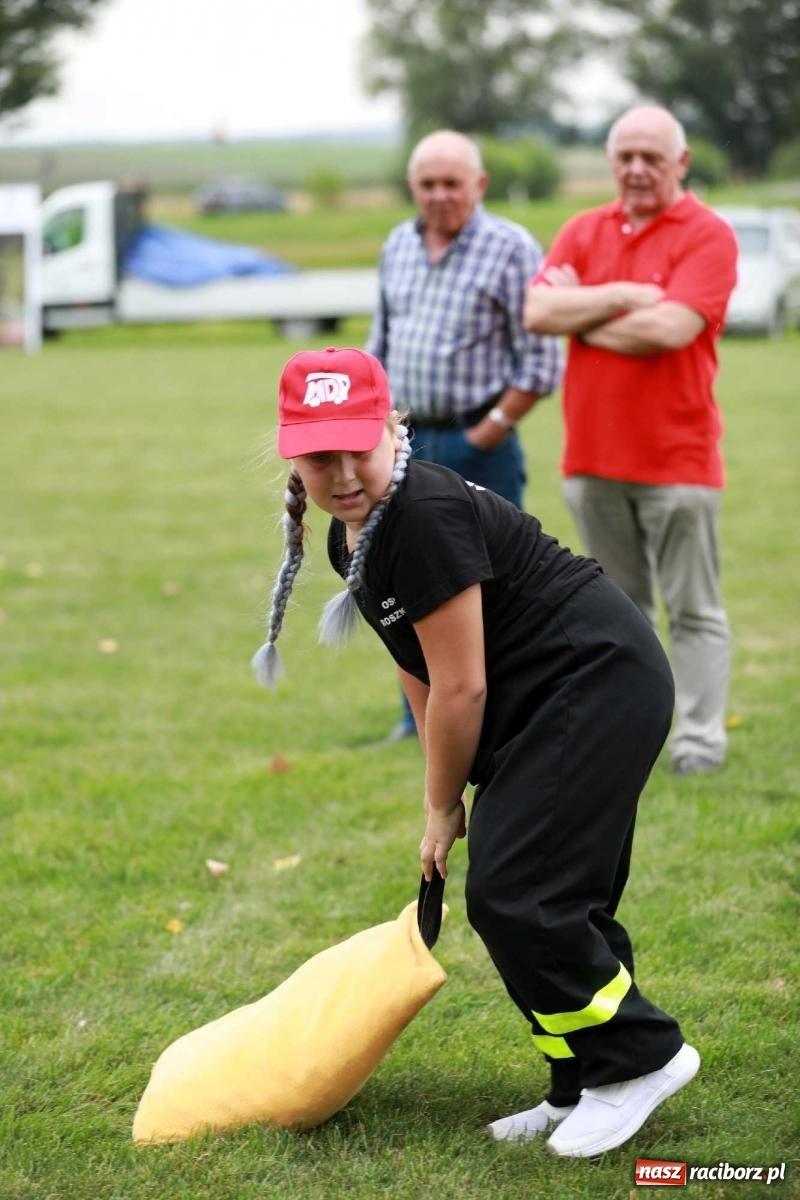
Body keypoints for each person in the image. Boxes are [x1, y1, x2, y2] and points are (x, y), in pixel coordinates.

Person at [251, 345, 700, 1158]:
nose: (345, 470)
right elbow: (415, 665)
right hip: (553, 701)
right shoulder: (354, 538)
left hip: (596, 683)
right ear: (293, 454)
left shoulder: (420, 515)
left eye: (361, 444)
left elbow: (463, 690)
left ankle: (642, 1059)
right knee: (547, 894)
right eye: (322, 454)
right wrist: (445, 796)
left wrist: (437, 805)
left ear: (396, 429)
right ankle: (581, 1084)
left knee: (517, 891)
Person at [524, 105, 738, 778]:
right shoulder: (583, 229)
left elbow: (671, 330)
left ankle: (699, 742)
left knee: (694, 610)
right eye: (625, 157)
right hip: (592, 459)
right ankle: (634, 736)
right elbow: (535, 312)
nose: (637, 169)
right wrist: (622, 294)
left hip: (679, 461)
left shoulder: (708, 234)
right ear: (611, 162)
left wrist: (581, 315)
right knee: (620, 613)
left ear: (681, 163)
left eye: (652, 157)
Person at [367, 129, 562, 741]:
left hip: (479, 442)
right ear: (412, 188)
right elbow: (382, 343)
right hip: (404, 443)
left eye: (453, 183)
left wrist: (490, 429)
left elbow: (541, 358)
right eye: (428, 184)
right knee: (399, 583)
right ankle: (418, 717)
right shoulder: (397, 244)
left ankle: (502, 713)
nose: (440, 195)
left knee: (489, 584)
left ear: (479, 185)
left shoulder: (511, 248)